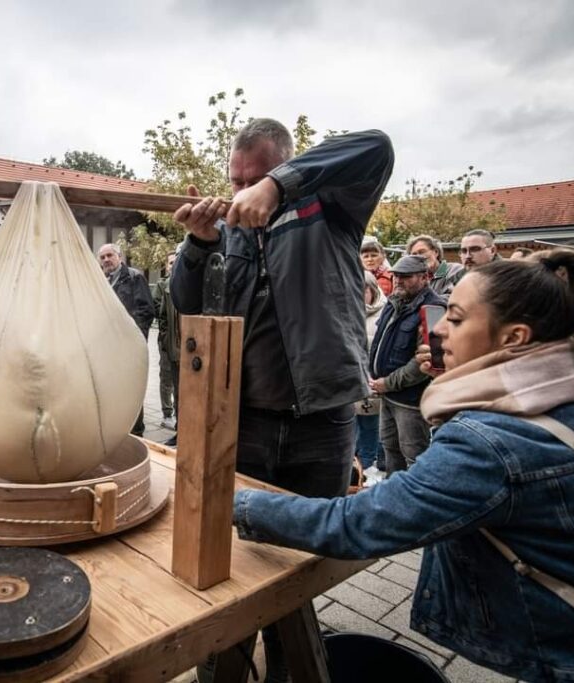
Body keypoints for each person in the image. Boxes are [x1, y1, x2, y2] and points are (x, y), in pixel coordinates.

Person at [232, 249, 574, 682]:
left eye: (455, 317)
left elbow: (359, 524)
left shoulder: (489, 443)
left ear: (514, 338)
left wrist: (241, 504)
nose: (438, 331)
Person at [170, 119, 393, 682]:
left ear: (285, 166)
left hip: (322, 424)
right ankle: (223, 664)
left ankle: (290, 666)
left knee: (300, 561)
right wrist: (198, 247)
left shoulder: (332, 206)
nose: (243, 189)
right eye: (236, 178)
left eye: (256, 178)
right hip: (241, 423)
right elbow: (186, 305)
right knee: (230, 557)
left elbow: (376, 146)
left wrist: (280, 186)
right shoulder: (228, 231)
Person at [367, 255, 445, 473]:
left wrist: (388, 383)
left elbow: (428, 362)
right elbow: (378, 344)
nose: (399, 280)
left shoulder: (434, 309)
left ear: (425, 278)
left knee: (415, 457)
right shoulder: (394, 303)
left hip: (411, 400)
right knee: (390, 449)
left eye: (406, 276)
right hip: (388, 395)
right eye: (396, 276)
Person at [98, 243, 154, 437]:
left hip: (129, 346)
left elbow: (146, 311)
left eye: (109, 256)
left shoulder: (133, 277)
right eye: (102, 257)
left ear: (119, 257)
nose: (106, 260)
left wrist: (133, 340)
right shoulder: (100, 281)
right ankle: (116, 430)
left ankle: (136, 433)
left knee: (132, 389)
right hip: (108, 347)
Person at [355, 270, 386, 482]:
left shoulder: (384, 312)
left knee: (371, 425)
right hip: (352, 378)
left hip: (374, 378)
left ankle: (368, 464)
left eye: (363, 290)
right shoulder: (347, 310)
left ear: (371, 290)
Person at [152, 250, 180, 431]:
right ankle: (167, 413)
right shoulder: (162, 286)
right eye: (170, 263)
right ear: (166, 266)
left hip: (182, 341)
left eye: (176, 262)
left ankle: (179, 413)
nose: (173, 265)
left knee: (180, 380)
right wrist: (163, 336)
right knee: (167, 377)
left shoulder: (186, 284)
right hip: (167, 340)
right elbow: (157, 310)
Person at [406, 234, 463, 300]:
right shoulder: (414, 279)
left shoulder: (455, 270)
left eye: (422, 252)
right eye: (414, 254)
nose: (419, 257)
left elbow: (458, 298)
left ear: (436, 252)